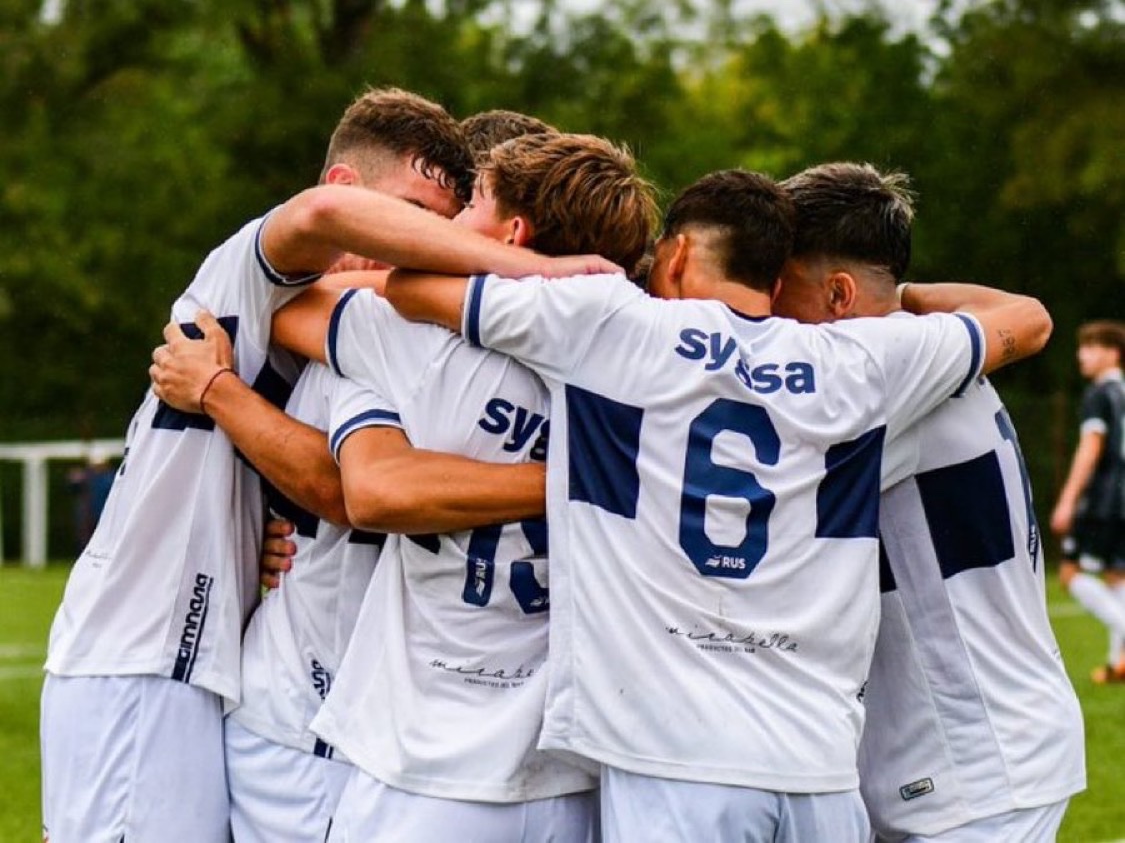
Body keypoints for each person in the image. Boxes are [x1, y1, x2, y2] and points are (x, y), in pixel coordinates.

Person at [382, 167, 1052, 841]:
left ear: (675, 255)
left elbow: (407, 286)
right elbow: (1028, 319)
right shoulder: (881, 362)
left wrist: (547, 272)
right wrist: (899, 298)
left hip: (718, 759)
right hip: (825, 763)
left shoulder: (619, 326)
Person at [152, 131, 656, 842]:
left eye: (470, 205)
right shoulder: (649, 356)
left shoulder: (411, 342)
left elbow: (287, 308)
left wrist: (218, 387)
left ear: (513, 234)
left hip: (431, 762)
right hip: (567, 769)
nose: (443, 228)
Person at [39, 85, 481, 843]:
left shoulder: (337, 330)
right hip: (142, 657)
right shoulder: (245, 274)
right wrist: (524, 273)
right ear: (344, 188)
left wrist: (266, 530)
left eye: (439, 228)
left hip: (200, 663)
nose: (418, 246)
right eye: (408, 215)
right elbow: (343, 489)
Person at [774, 162, 1084, 843]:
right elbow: (1026, 315)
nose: (766, 307)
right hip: (982, 745)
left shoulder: (874, 368)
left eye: (780, 284)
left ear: (837, 293)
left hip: (971, 765)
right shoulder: (927, 350)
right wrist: (901, 294)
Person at [1051, 320, 1125, 683]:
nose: (1082, 355)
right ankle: (1117, 664)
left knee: (1069, 574)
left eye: (1091, 347)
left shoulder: (1099, 394)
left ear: (1113, 353)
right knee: (1116, 576)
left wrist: (1067, 500)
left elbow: (1091, 448)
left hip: (1103, 500)